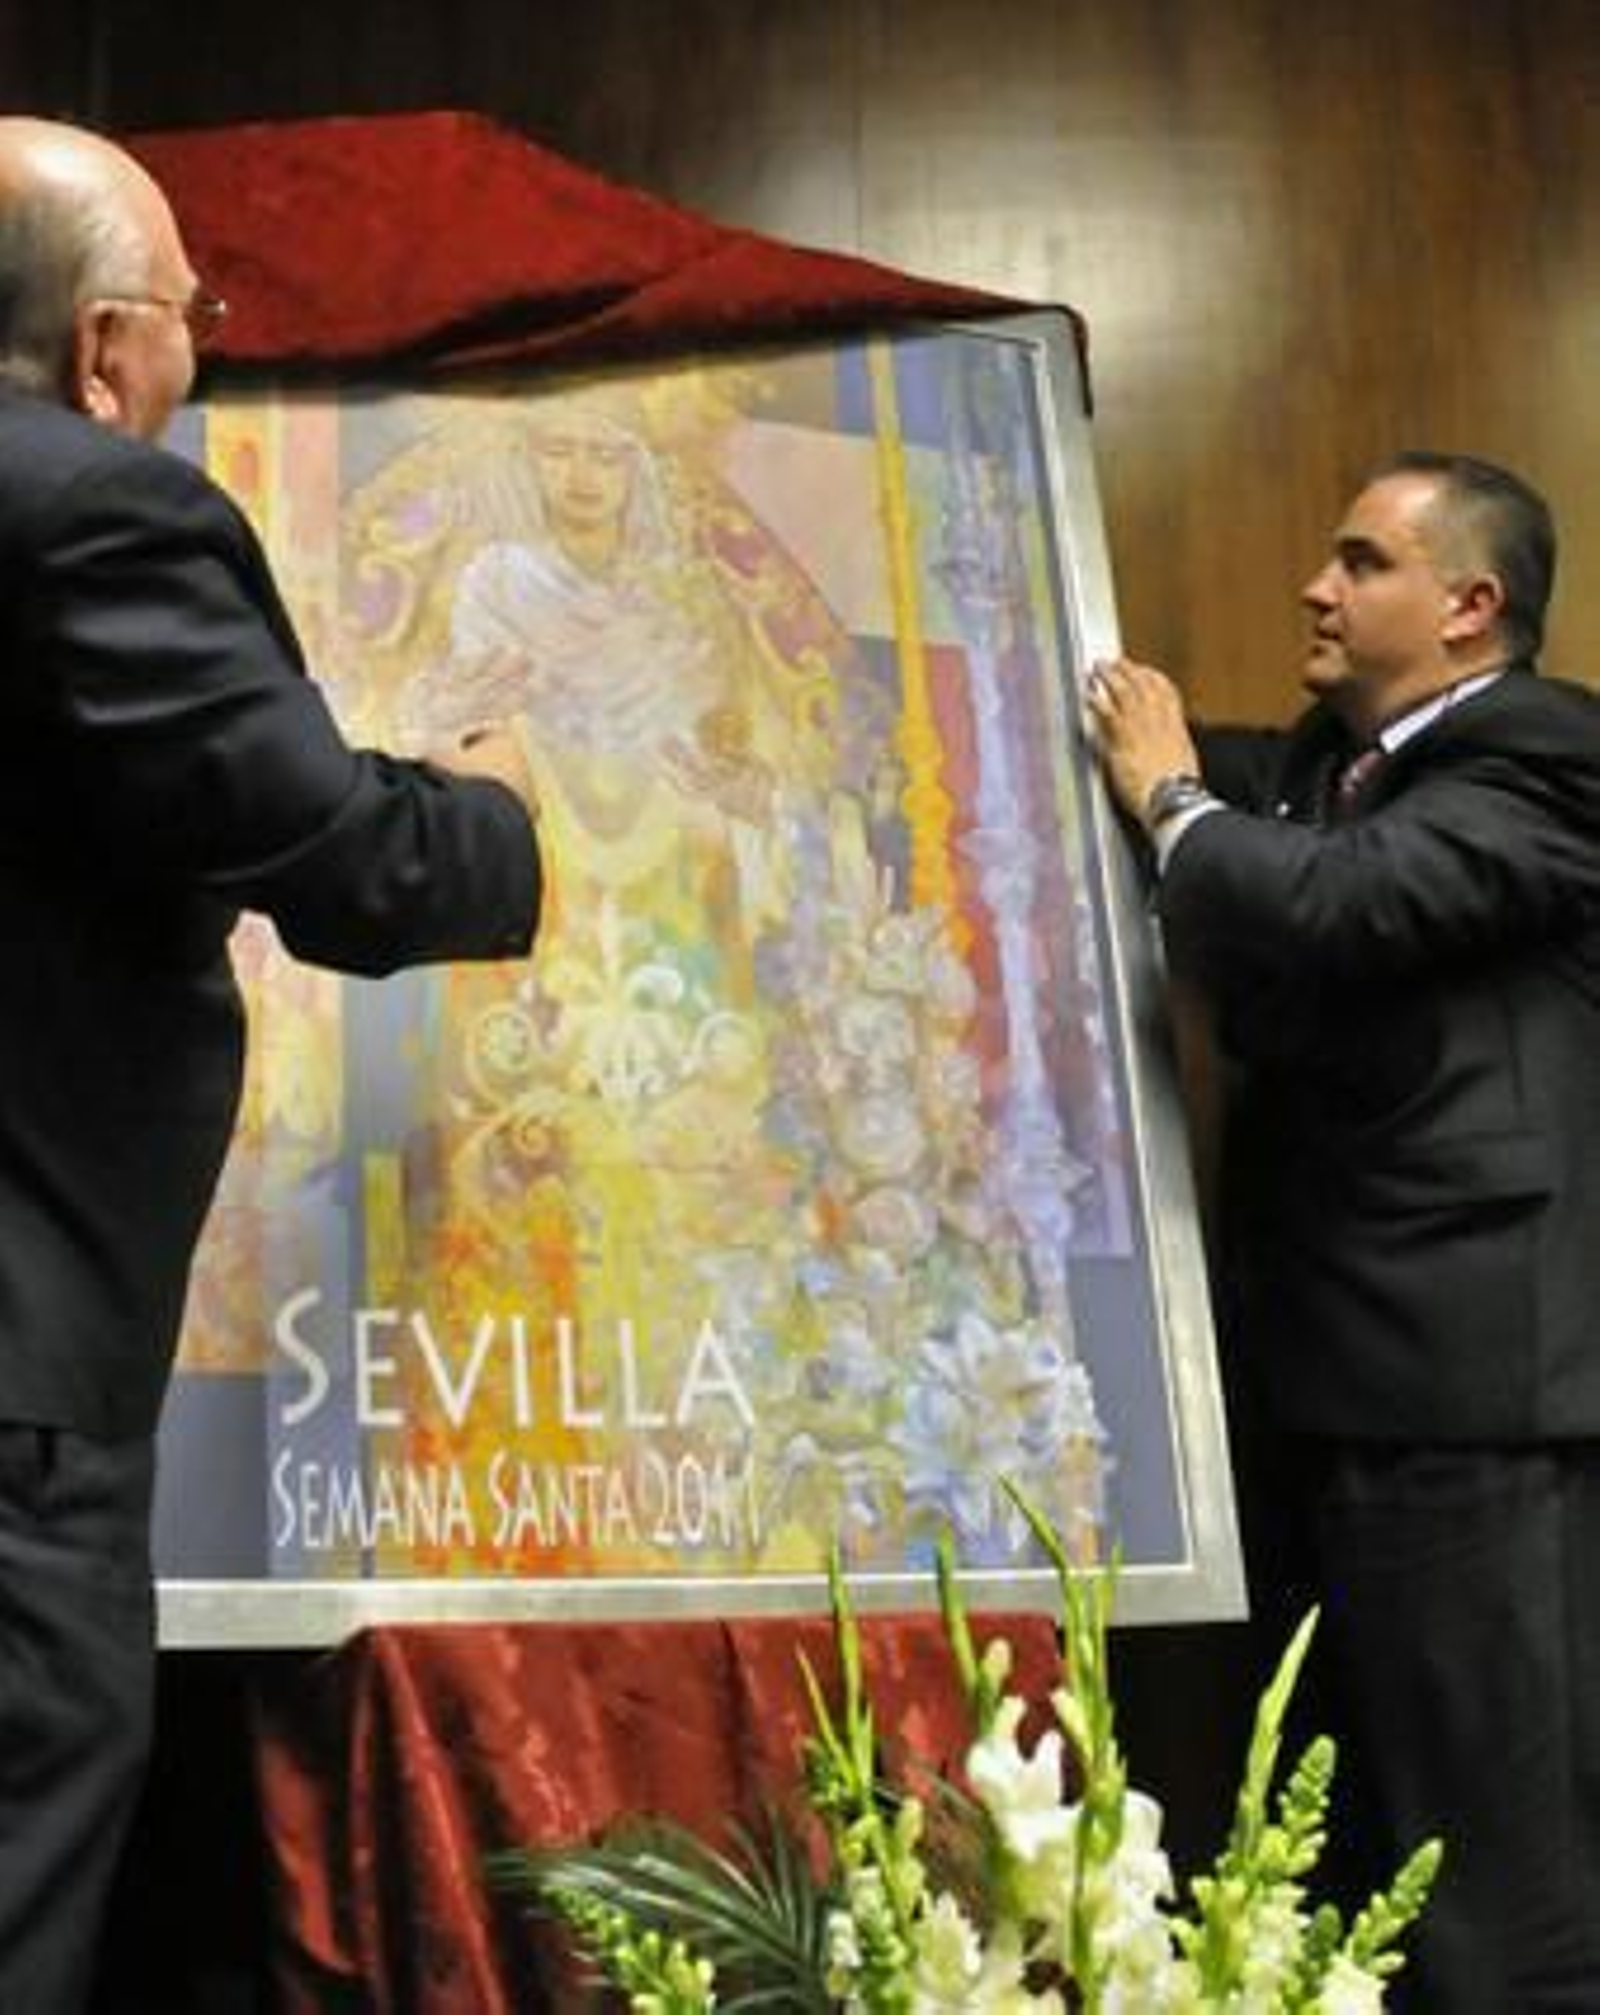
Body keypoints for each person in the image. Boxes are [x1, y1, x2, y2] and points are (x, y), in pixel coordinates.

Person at [0, 117, 543, 2010]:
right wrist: (495, 813)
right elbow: (345, 858)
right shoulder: (92, 510)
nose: (195, 355)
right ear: (102, 350)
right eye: (191, 318)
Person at [1087, 451, 1600, 2012]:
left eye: (1363, 562)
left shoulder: (1549, 757)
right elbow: (1241, 817)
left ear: (1469, 606)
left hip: (1472, 1410)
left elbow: (1334, 902)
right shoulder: (1338, 757)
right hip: (1323, 1392)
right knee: (1353, 1850)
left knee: (1498, 1874)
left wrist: (1169, 797)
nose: (1318, 587)